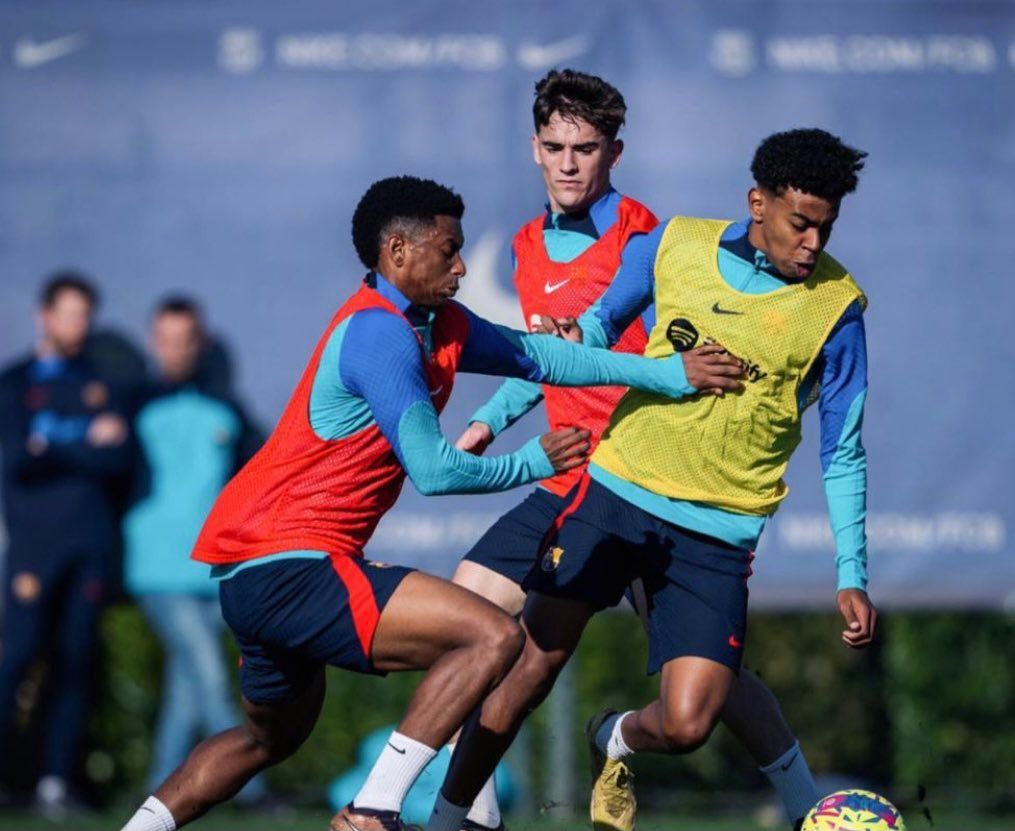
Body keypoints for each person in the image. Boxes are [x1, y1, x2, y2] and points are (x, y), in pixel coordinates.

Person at [117, 175, 744, 831]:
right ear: (396, 251)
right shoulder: (378, 334)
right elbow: (436, 472)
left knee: (265, 741)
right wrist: (533, 461)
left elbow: (542, 357)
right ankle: (372, 807)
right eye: (447, 250)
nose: (462, 265)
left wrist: (669, 374)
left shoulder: (435, 322)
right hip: (292, 561)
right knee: (492, 635)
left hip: (254, 573)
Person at [384, 70, 820, 831]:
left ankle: (807, 803)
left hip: (636, 476)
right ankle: (464, 809)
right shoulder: (523, 243)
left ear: (614, 152)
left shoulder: (649, 238)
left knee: (707, 688)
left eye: (585, 148)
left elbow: (601, 345)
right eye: (554, 146)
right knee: (472, 620)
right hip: (566, 472)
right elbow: (547, 360)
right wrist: (489, 419)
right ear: (533, 148)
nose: (568, 163)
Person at [122, 297, 268, 801]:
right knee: (207, 672)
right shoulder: (130, 404)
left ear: (200, 343)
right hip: (158, 569)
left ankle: (160, 788)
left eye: (185, 339)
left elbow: (260, 473)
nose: (176, 350)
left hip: (213, 567)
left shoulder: (228, 409)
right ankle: (252, 790)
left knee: (188, 686)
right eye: (166, 339)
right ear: (151, 342)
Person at [0, 272, 131, 819]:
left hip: (89, 546)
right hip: (33, 549)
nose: (77, 325)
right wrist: (83, 441)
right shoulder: (14, 383)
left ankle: (56, 782)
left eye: (85, 315)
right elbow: (19, 460)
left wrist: (53, 443)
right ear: (44, 316)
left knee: (74, 664)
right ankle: (10, 776)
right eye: (68, 314)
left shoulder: (100, 381)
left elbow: (117, 459)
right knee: (18, 659)